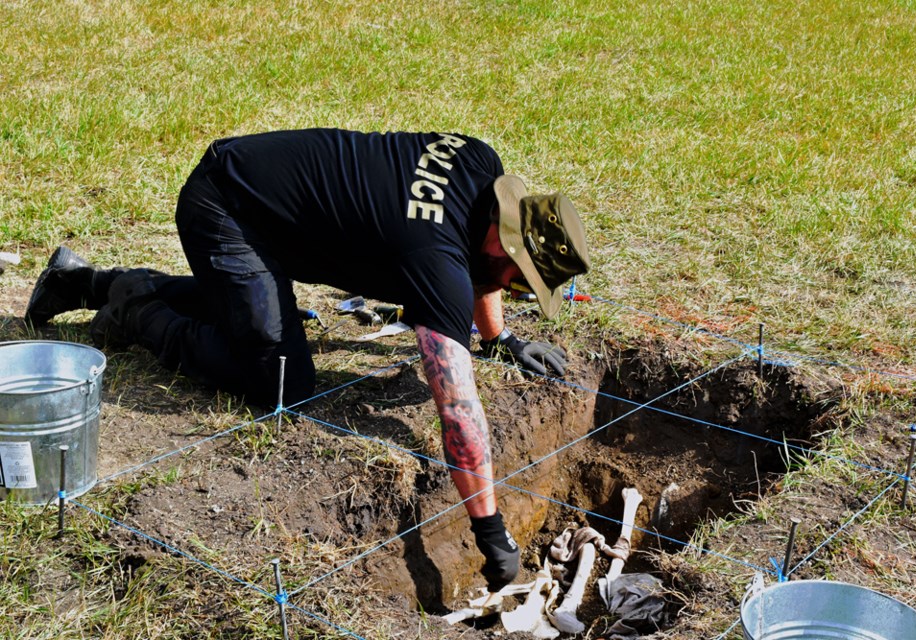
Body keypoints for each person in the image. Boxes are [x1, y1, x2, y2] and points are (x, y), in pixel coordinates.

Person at [24, 128, 589, 591]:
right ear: (505, 241)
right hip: (226, 205)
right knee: (281, 379)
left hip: (263, 195)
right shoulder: (435, 256)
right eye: (522, 283)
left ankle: (83, 282)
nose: (514, 292)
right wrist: (490, 529)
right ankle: (132, 314)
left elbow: (486, 267)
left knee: (253, 311)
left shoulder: (479, 164)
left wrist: (499, 340)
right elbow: (459, 410)